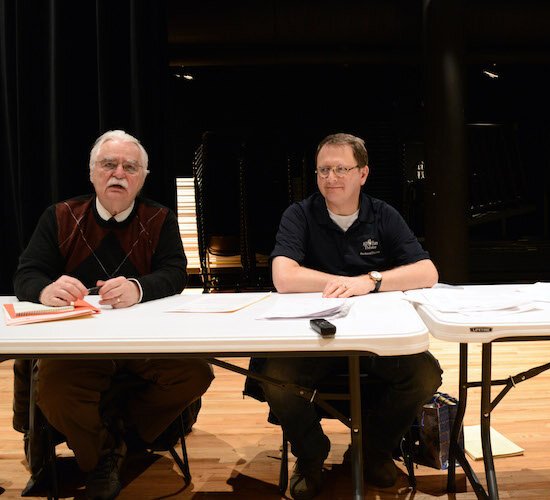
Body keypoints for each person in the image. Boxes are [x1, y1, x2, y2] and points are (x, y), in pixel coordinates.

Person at [13, 130, 214, 500]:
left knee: (195, 373)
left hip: (143, 341)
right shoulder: (59, 216)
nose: (118, 173)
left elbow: (174, 273)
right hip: (78, 345)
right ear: (92, 173)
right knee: (55, 390)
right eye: (109, 165)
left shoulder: (160, 219)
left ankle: (117, 439)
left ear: (143, 177)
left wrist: (138, 288)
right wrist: (45, 290)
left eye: (130, 167)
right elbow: (27, 273)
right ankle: (104, 455)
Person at [259, 133, 442, 499]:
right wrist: (345, 283)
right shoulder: (300, 214)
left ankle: (371, 450)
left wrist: (370, 281)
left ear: (363, 174)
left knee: (425, 376)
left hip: (375, 336)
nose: (331, 178)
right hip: (311, 337)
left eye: (341, 168)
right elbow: (283, 276)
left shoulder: (382, 215)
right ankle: (311, 453)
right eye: (323, 169)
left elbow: (427, 272)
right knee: (274, 376)